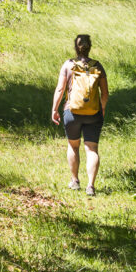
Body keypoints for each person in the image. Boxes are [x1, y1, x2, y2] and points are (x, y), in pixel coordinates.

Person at [51, 34, 110, 195]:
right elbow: (105, 94)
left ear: (76, 47)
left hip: (72, 112)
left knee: (73, 145)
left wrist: (54, 109)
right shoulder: (98, 66)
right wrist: (101, 109)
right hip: (94, 113)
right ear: (89, 47)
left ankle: (75, 180)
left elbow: (60, 89)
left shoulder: (68, 65)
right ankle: (90, 186)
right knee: (92, 149)